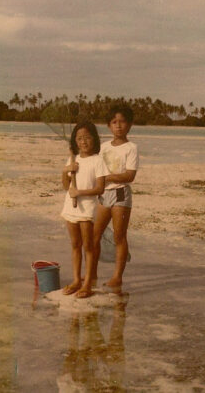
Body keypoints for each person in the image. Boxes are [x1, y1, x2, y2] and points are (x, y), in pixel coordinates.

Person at [92, 104, 139, 292]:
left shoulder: (131, 148)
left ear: (129, 125)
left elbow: (129, 176)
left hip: (121, 194)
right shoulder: (102, 147)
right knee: (95, 236)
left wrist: (108, 177)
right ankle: (92, 274)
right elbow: (95, 168)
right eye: (114, 122)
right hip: (104, 195)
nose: (118, 126)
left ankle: (117, 277)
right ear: (109, 126)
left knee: (119, 236)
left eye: (122, 122)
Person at [61, 121, 109, 299]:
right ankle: (76, 280)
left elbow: (100, 188)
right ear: (75, 141)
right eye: (79, 138)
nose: (83, 142)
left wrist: (80, 192)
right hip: (70, 207)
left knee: (88, 246)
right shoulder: (73, 159)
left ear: (94, 139)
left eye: (87, 138)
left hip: (87, 208)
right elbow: (66, 186)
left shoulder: (98, 161)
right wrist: (66, 170)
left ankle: (88, 282)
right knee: (75, 245)